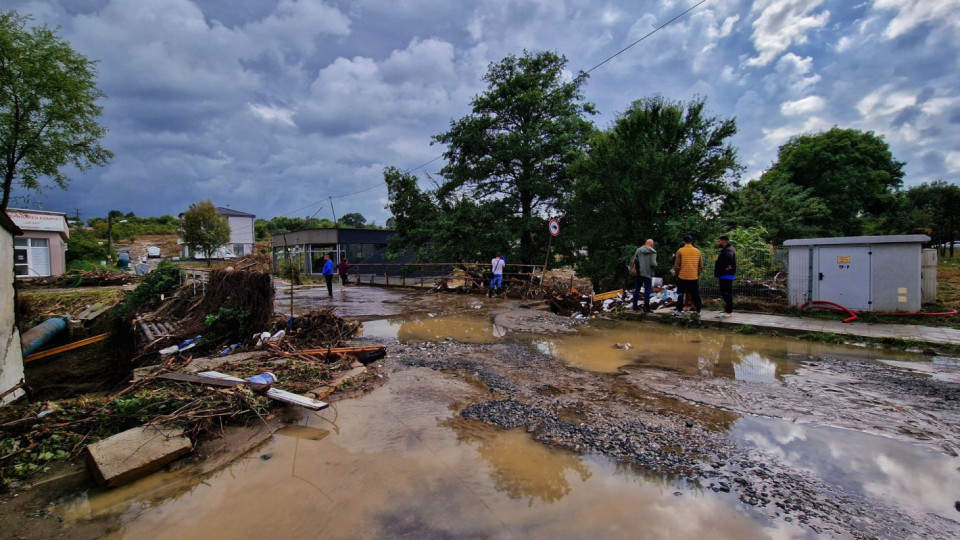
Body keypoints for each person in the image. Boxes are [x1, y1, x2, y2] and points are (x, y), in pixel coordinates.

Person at [673, 235, 703, 317]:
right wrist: (696, 273)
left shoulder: (680, 251)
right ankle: (698, 311)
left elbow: (677, 265)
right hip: (693, 277)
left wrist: (676, 274)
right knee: (695, 294)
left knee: (680, 294)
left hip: (682, 277)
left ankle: (679, 311)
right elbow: (700, 266)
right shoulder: (697, 251)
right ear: (691, 241)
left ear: (683, 242)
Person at [714, 235, 737, 317]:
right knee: (724, 292)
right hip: (724, 275)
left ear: (724, 241)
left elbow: (729, 258)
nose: (718, 243)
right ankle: (726, 309)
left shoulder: (728, 250)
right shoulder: (726, 249)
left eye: (719, 241)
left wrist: (726, 267)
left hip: (727, 275)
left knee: (727, 293)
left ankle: (729, 311)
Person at [632, 239, 657, 312]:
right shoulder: (653, 251)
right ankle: (646, 307)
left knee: (637, 289)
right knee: (647, 290)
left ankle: (635, 306)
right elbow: (653, 263)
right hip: (648, 273)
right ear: (652, 244)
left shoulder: (638, 250)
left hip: (639, 272)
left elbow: (635, 259)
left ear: (645, 243)